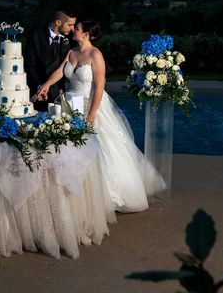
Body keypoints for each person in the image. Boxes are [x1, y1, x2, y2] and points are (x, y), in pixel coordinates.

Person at [37, 20, 162, 212]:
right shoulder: (71, 52)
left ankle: (106, 195)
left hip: (91, 103)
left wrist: (93, 112)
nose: (73, 32)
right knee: (70, 147)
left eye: (77, 30)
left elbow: (100, 85)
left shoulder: (95, 54)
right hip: (71, 105)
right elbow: (60, 72)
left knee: (100, 148)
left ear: (86, 34)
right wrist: (46, 84)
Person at [25, 10, 76, 112]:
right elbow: (30, 65)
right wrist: (39, 86)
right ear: (58, 23)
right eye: (70, 25)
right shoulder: (35, 35)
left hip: (58, 93)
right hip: (36, 91)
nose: (73, 29)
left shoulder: (72, 38)